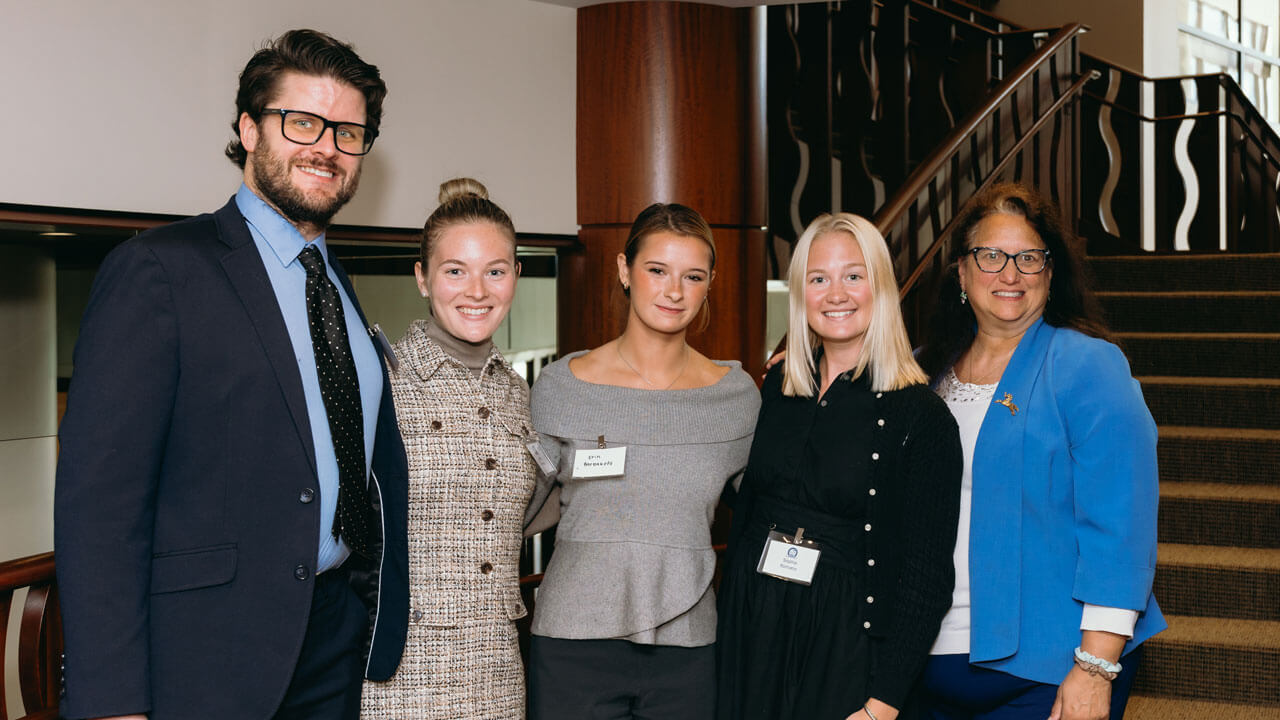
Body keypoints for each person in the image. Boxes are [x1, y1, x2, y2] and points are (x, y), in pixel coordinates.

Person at [54, 29, 408, 720]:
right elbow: (99, 508)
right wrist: (109, 700)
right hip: (207, 656)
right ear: (249, 129)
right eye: (302, 122)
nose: (327, 147)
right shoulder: (160, 270)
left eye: (348, 132)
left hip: (333, 639)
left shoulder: (337, 285)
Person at [915, 182, 1164, 720]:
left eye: (1029, 258)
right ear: (961, 272)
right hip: (922, 661)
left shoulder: (1087, 365)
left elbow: (1122, 525)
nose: (1010, 274)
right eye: (991, 256)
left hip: (1051, 670)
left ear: (1050, 275)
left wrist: (1095, 667)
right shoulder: (923, 372)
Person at [717, 213, 962, 720]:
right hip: (753, 631)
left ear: (881, 287)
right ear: (800, 293)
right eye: (818, 278)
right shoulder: (777, 388)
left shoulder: (921, 417)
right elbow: (748, 511)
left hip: (844, 646)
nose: (836, 294)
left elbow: (926, 578)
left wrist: (883, 703)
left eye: (853, 275)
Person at [524, 203, 760, 719]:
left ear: (709, 285)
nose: (674, 291)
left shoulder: (737, 398)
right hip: (572, 644)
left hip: (688, 650)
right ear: (624, 270)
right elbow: (516, 509)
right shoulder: (562, 387)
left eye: (692, 276)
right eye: (657, 270)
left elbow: (773, 509)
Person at [360, 178, 534, 719]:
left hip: (500, 671)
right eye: (455, 271)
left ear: (516, 276)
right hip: (402, 674)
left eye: (495, 271)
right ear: (422, 277)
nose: (476, 291)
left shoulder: (518, 391)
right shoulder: (379, 380)